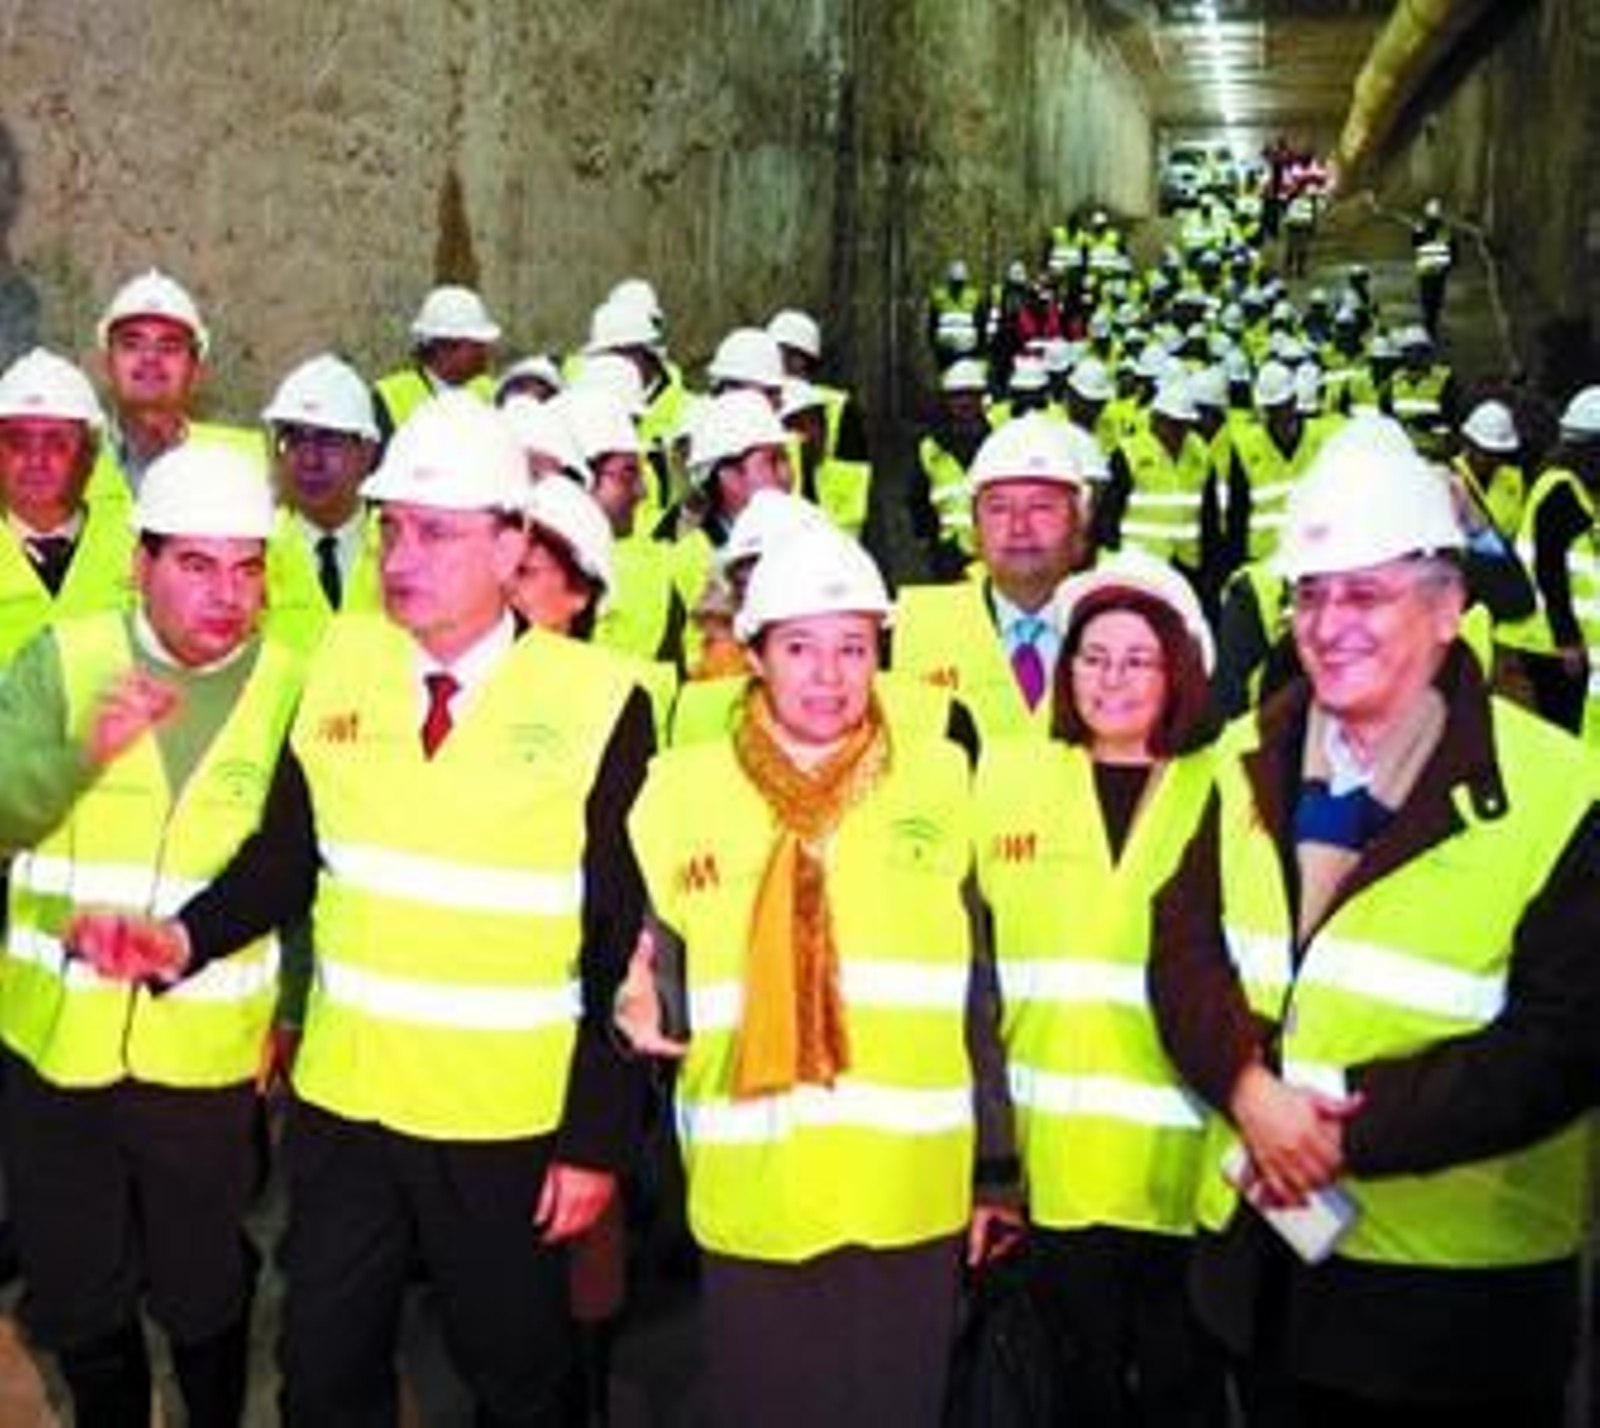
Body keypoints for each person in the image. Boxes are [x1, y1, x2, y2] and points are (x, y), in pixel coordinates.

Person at [1149, 414, 1600, 1426]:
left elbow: (1562, 1042)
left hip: (1449, 1311)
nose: (1328, 623)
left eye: (1365, 593)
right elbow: (1178, 951)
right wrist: (1247, 1087)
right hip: (1263, 1285)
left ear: (1446, 609)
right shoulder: (1243, 761)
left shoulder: (1562, 790)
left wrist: (1330, 1124)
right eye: (1310, 595)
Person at [618, 523, 1012, 1428]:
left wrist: (995, 1173)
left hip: (908, 1183)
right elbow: (649, 967)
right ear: (754, 655)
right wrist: (629, 998)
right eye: (799, 648)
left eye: (853, 649)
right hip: (756, 1177)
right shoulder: (680, 789)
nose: (829, 676)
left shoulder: (944, 780)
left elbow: (980, 994)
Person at [0, 443, 295, 1427]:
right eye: (197, 565)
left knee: (202, 1282)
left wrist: (291, 1022)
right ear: (141, 562)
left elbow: (307, 876)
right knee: (78, 1284)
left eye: (247, 567)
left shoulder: (293, 689)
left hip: (201, 1062)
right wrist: (76, 754)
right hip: (54, 1051)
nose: (227, 593)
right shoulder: (67, 658)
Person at [976, 549, 1224, 1427]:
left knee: (1180, 1393)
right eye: (1093, 657)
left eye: (1138, 660)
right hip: (1057, 1170)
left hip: (1190, 1172)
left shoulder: (1231, 784)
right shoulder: (1005, 778)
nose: (1111, 680)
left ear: (1180, 669)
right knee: (1075, 1394)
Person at [895, 413, 1097, 742]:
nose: (1019, 528)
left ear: (1080, 525)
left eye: (1041, 508)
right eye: (999, 509)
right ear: (975, 530)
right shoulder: (910, 627)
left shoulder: (1125, 631)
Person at [0, 347, 135, 668]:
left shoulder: (142, 548)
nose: (36, 461)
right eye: (17, 441)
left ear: (91, 455)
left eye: (56, 442)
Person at [95, 268, 263, 493]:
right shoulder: (59, 460)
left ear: (196, 371)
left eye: (169, 347)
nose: (150, 358)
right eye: (131, 344)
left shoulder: (250, 462)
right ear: (107, 363)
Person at [1496, 385, 1600, 739]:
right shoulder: (1562, 491)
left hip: (1557, 639)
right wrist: (1567, 639)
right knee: (1565, 731)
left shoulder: (1571, 485)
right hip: (1551, 642)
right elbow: (1549, 569)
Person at [260, 353, 384, 651]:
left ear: (367, 452)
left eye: (329, 440)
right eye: (295, 439)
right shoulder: (253, 551)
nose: (310, 460)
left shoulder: (401, 544)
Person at [373, 284, 500, 437]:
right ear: (445, 348)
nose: (484, 352)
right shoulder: (389, 398)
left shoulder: (492, 392)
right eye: (476, 345)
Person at [1412, 197, 1455, 341]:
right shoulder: (1445, 229)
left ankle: (1428, 325)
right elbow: (1452, 248)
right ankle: (1432, 326)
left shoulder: (1420, 227)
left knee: (1426, 299)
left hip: (1425, 269)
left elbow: (1415, 244)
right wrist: (1451, 264)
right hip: (1439, 270)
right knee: (1436, 300)